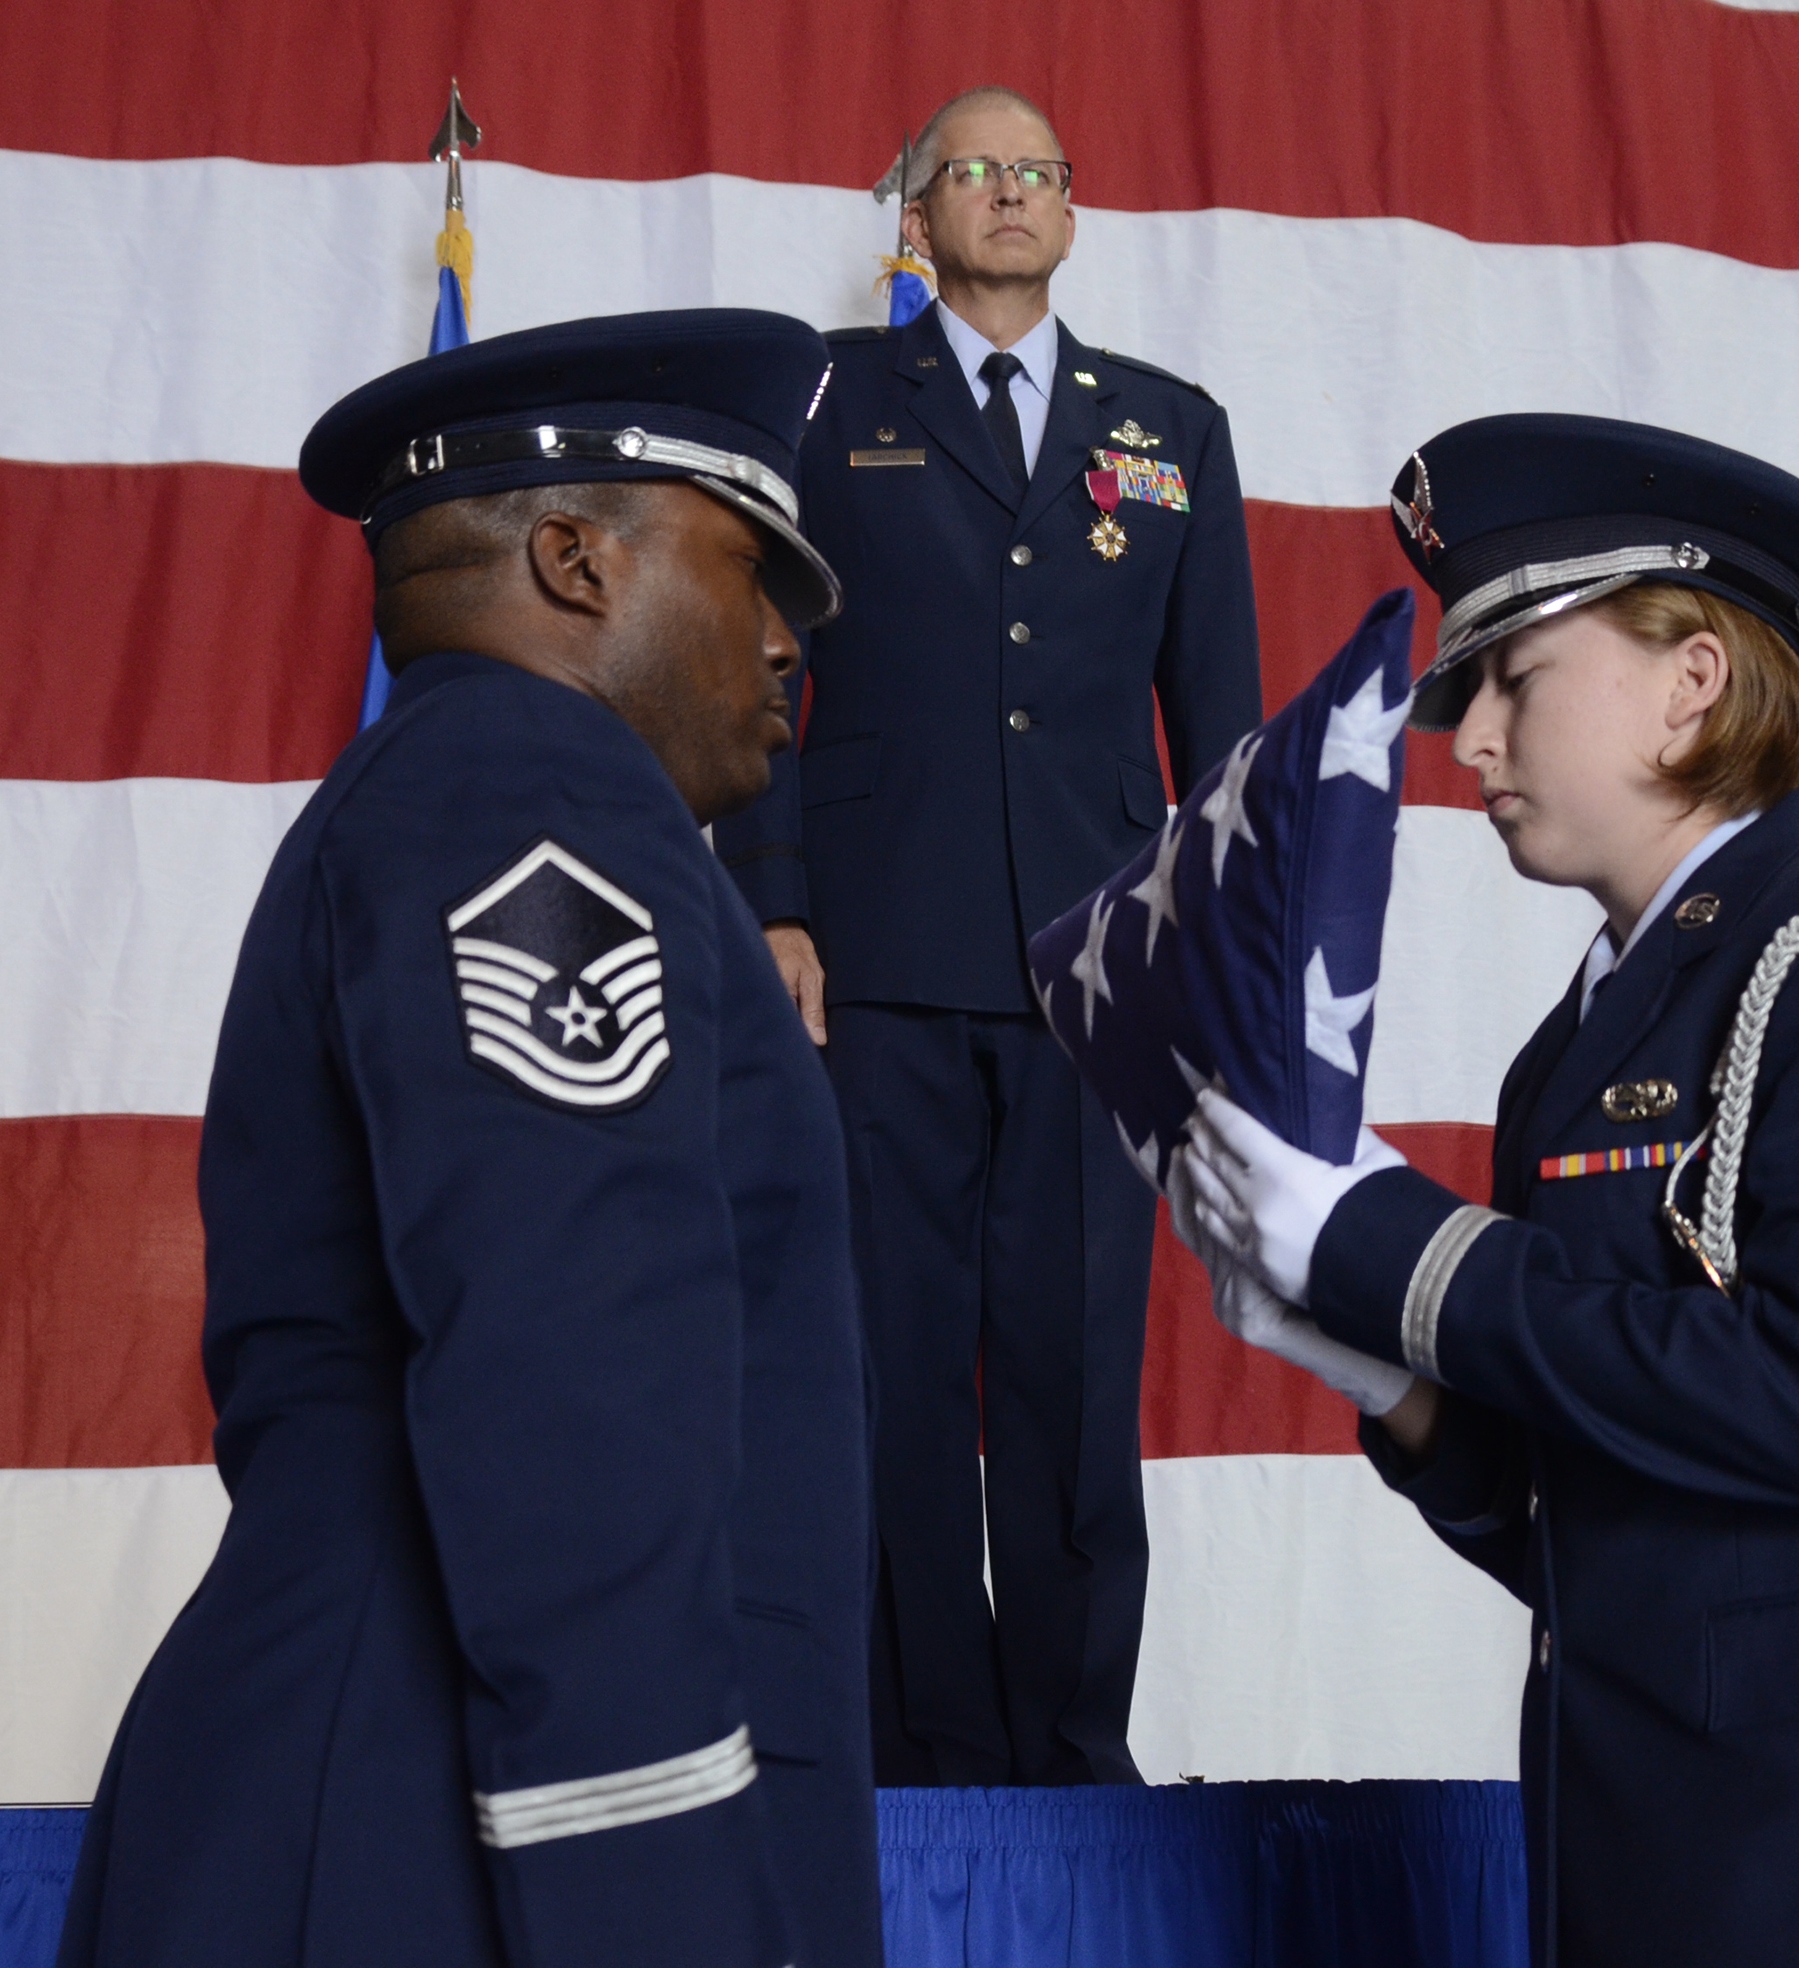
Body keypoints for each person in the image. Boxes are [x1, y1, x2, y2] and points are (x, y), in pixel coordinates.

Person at [1172, 414, 1799, 1968]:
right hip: (1658, 1858)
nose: (1472, 738)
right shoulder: (1566, 1056)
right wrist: (1398, 1377)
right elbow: (1601, 1516)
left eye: (1514, 677)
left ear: (1694, 675)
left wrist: (1401, 1254)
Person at [55, 311, 880, 1968]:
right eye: (749, 575)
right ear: (575, 558)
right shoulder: (533, 796)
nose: (790, 643)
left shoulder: (471, 794)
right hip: (432, 1841)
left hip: (394, 1801)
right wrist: (661, 1900)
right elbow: (570, 1370)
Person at [713, 86, 1261, 1785]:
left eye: (1040, 172)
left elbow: (1222, 722)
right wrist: (779, 905)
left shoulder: (1168, 424)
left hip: (1100, 964)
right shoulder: (824, 399)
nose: (1010, 193)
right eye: (976, 171)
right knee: (889, 1366)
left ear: (1074, 215)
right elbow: (756, 674)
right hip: (875, 955)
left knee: (1076, 1369)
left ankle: (1072, 1746)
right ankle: (923, 1746)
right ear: (917, 213)